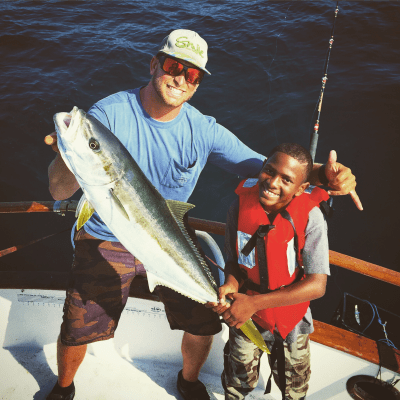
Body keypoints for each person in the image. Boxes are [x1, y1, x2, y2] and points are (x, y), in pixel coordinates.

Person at [46, 29, 360, 400]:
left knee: (207, 319)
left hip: (169, 241)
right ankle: (63, 390)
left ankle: (189, 382)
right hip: (105, 237)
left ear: (197, 84)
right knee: (77, 325)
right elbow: (58, 191)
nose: (180, 78)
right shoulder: (107, 115)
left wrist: (325, 175)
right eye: (174, 66)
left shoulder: (203, 129)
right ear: (154, 64)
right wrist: (71, 154)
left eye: (191, 74)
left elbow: (268, 168)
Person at [206, 143, 332, 400]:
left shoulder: (311, 218)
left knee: (293, 388)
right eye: (269, 171)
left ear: (301, 189)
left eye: (287, 179)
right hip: (246, 314)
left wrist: (254, 302)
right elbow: (234, 260)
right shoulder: (239, 208)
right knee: (236, 382)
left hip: (290, 319)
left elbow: (317, 285)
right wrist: (231, 283)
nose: (273, 182)